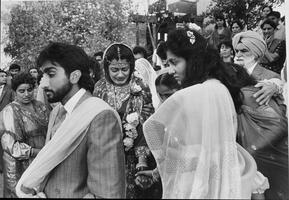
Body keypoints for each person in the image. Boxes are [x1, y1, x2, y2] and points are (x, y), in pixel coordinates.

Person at [143, 28, 269, 199]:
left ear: (193, 60)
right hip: (225, 169)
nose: (171, 70)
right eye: (168, 64)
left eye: (174, 62)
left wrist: (166, 161)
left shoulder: (191, 94)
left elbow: (151, 127)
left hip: (195, 178)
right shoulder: (220, 87)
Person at [15, 42, 126, 198]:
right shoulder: (58, 112)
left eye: (51, 74)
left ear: (74, 76)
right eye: (42, 76)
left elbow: (107, 193)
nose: (43, 83)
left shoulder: (100, 116)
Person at [93, 43, 161, 199]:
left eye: (124, 69)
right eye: (114, 70)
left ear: (131, 67)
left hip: (134, 156)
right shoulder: (100, 88)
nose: (120, 75)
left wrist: (141, 159)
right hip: (104, 154)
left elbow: (147, 121)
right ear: (106, 68)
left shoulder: (140, 87)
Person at [228, 63, 288, 200]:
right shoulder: (244, 93)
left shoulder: (247, 94)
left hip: (269, 157)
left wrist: (252, 149)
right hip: (264, 159)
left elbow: (279, 125)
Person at [0, 72, 49, 198]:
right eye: (21, 91)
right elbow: (11, 146)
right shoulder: (9, 111)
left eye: (29, 89)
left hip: (41, 160)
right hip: (18, 166)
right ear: (15, 92)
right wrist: (37, 152)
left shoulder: (40, 106)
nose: (26, 94)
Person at [232, 31, 283, 106]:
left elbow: (279, 86)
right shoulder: (231, 73)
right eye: (236, 51)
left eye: (244, 51)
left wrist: (275, 86)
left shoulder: (271, 77)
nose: (238, 55)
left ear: (256, 54)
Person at [0, 70, 14, 173]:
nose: (4, 78)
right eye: (1, 76)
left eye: (5, 76)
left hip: (5, 120)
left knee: (4, 143)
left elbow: (13, 104)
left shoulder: (9, 90)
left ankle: (3, 166)